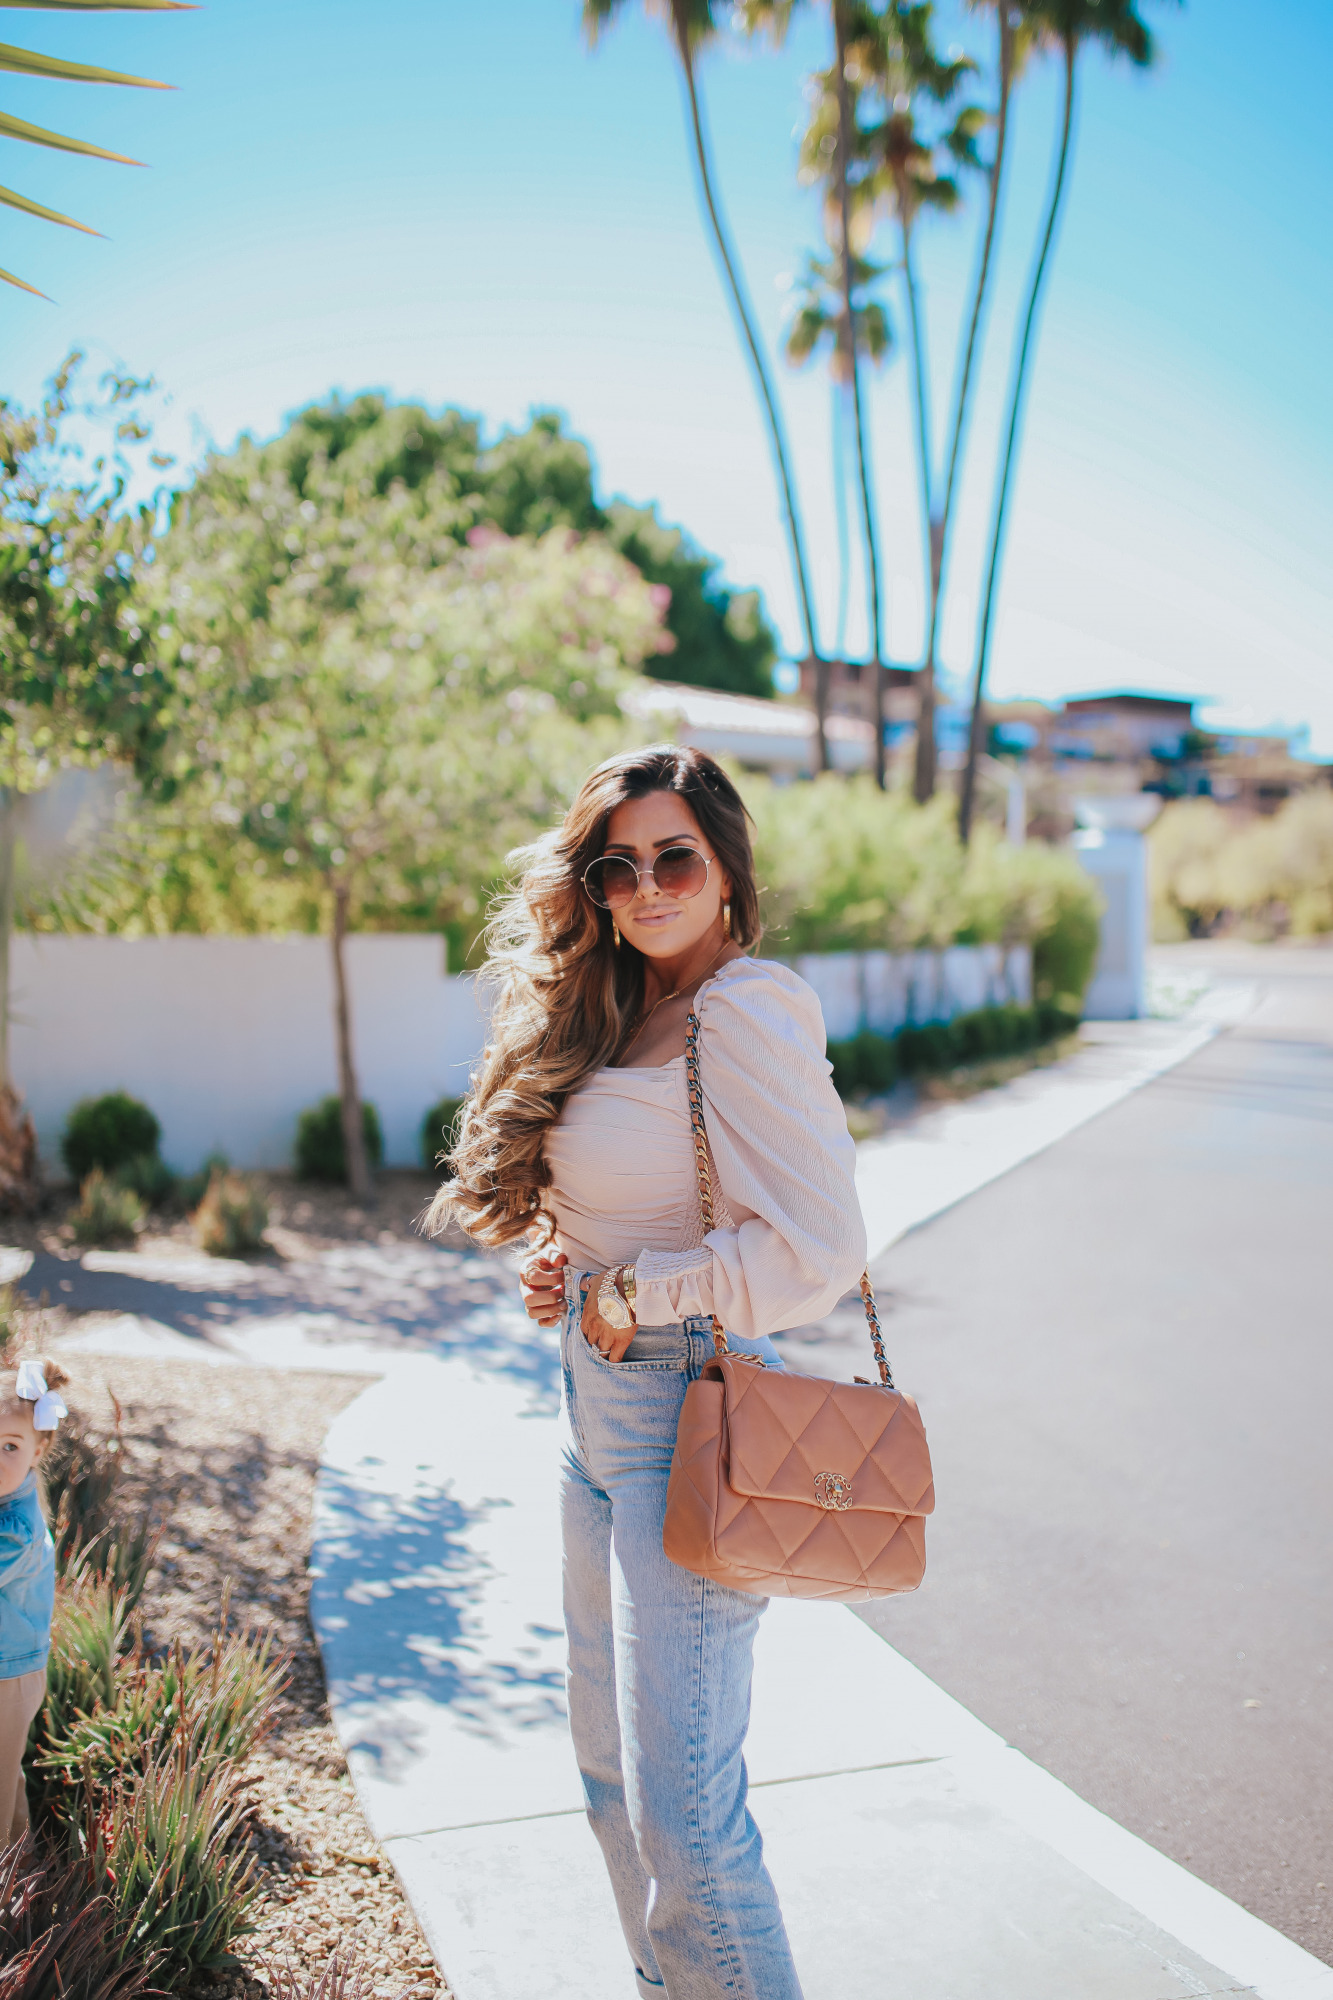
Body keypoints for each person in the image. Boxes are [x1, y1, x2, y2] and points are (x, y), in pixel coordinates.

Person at [431, 745, 866, 2000]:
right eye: (616, 866)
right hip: (592, 1411)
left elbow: (818, 1248)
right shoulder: (625, 1007)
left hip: (693, 1407)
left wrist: (641, 1293)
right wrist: (571, 1268)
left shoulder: (745, 1006)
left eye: (673, 855)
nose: (645, 885)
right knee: (611, 1780)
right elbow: (642, 1205)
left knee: (687, 1815)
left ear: (726, 865)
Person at [0, 1356, 68, 1845]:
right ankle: (22, 1867)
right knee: (5, 1777)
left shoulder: (15, 1530)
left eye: (10, 1445)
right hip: (11, 1666)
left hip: (8, 1676)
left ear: (39, 1448)